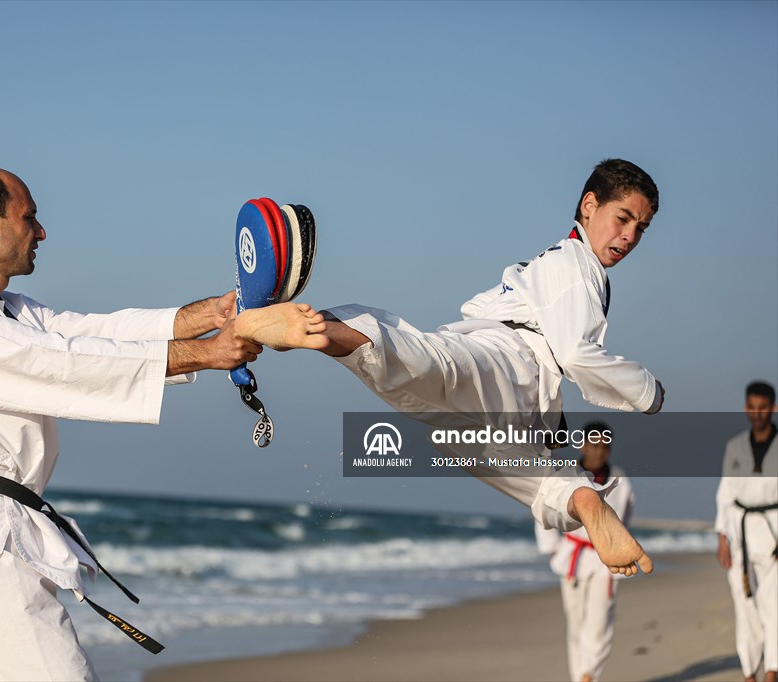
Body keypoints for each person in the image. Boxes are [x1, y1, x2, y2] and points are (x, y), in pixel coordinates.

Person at [0, 165, 287, 681]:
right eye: (29, 218)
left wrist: (211, 314)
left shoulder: (5, 311)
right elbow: (60, 361)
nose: (41, 232)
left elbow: (100, 333)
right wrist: (207, 355)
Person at [236, 158, 663, 576]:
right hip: (513, 365)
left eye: (640, 228)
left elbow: (567, 352)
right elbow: (574, 353)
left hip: (512, 371)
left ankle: (314, 329)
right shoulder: (577, 265)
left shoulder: (563, 262)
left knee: (422, 366)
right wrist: (646, 391)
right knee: (536, 475)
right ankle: (582, 498)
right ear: (589, 205)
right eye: (623, 218)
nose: (629, 236)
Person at [535, 421, 633, 682]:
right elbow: (544, 508)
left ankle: (589, 675)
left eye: (604, 446)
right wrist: (553, 549)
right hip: (573, 557)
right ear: (582, 445)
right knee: (576, 623)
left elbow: (626, 516)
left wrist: (620, 545)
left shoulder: (620, 479)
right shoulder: (566, 475)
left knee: (600, 624)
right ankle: (579, 676)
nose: (599, 451)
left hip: (606, 559)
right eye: (594, 444)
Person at [715, 381, 778, 682]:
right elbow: (724, 495)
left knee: (774, 606)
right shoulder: (734, 446)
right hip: (740, 533)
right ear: (745, 408)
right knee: (745, 607)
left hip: (774, 532)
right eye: (752, 407)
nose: (757, 414)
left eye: (763, 408)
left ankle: (772, 671)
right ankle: (750, 672)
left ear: (773, 408)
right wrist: (722, 538)